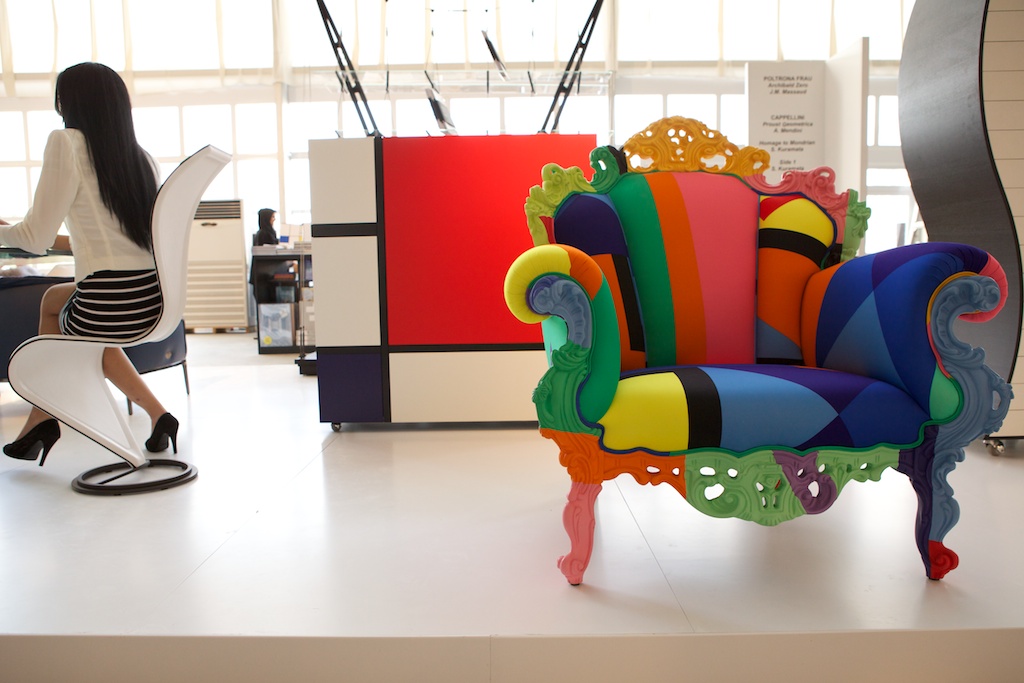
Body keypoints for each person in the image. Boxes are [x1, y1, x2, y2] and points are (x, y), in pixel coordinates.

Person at [0, 62, 178, 466]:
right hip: (152, 298)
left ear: (69, 103)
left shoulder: (66, 143)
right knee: (54, 301)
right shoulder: (140, 158)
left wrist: (4, 233)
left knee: (82, 332)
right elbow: (113, 239)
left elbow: (35, 238)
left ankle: (44, 416)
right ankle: (157, 414)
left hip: (109, 302)